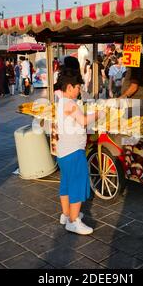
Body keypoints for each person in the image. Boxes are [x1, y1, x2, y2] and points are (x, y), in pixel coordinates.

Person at [56, 68, 102, 235]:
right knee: (77, 183)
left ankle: (66, 214)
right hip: (74, 151)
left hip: (63, 151)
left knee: (66, 183)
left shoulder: (60, 102)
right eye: (77, 88)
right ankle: (74, 221)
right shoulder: (70, 103)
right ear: (69, 87)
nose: (79, 91)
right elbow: (83, 121)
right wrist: (97, 114)